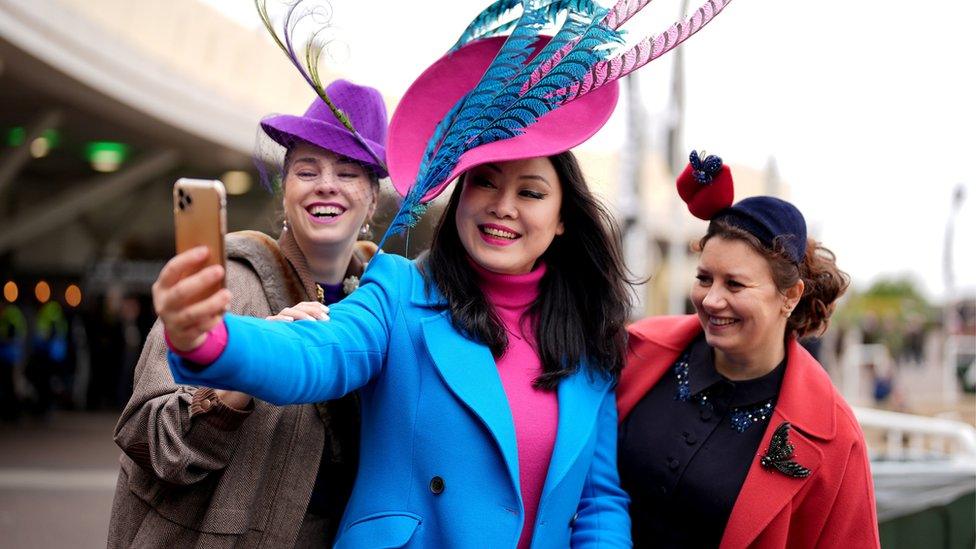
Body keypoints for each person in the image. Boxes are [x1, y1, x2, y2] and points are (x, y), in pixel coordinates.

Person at [154, 36, 634, 548]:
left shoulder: (591, 337)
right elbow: (318, 352)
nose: (503, 206)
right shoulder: (401, 289)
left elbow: (596, 503)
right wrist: (207, 337)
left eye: (531, 192)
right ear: (459, 196)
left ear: (563, 219)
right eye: (484, 183)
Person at [107, 79, 387, 548]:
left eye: (348, 171)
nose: (326, 186)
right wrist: (241, 376)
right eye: (306, 170)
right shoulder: (227, 283)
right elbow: (144, 438)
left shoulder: (380, 305)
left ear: (373, 197)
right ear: (285, 190)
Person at [616, 152, 880, 548]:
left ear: (789, 296)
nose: (712, 300)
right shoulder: (638, 350)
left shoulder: (837, 439)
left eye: (735, 285)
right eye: (704, 278)